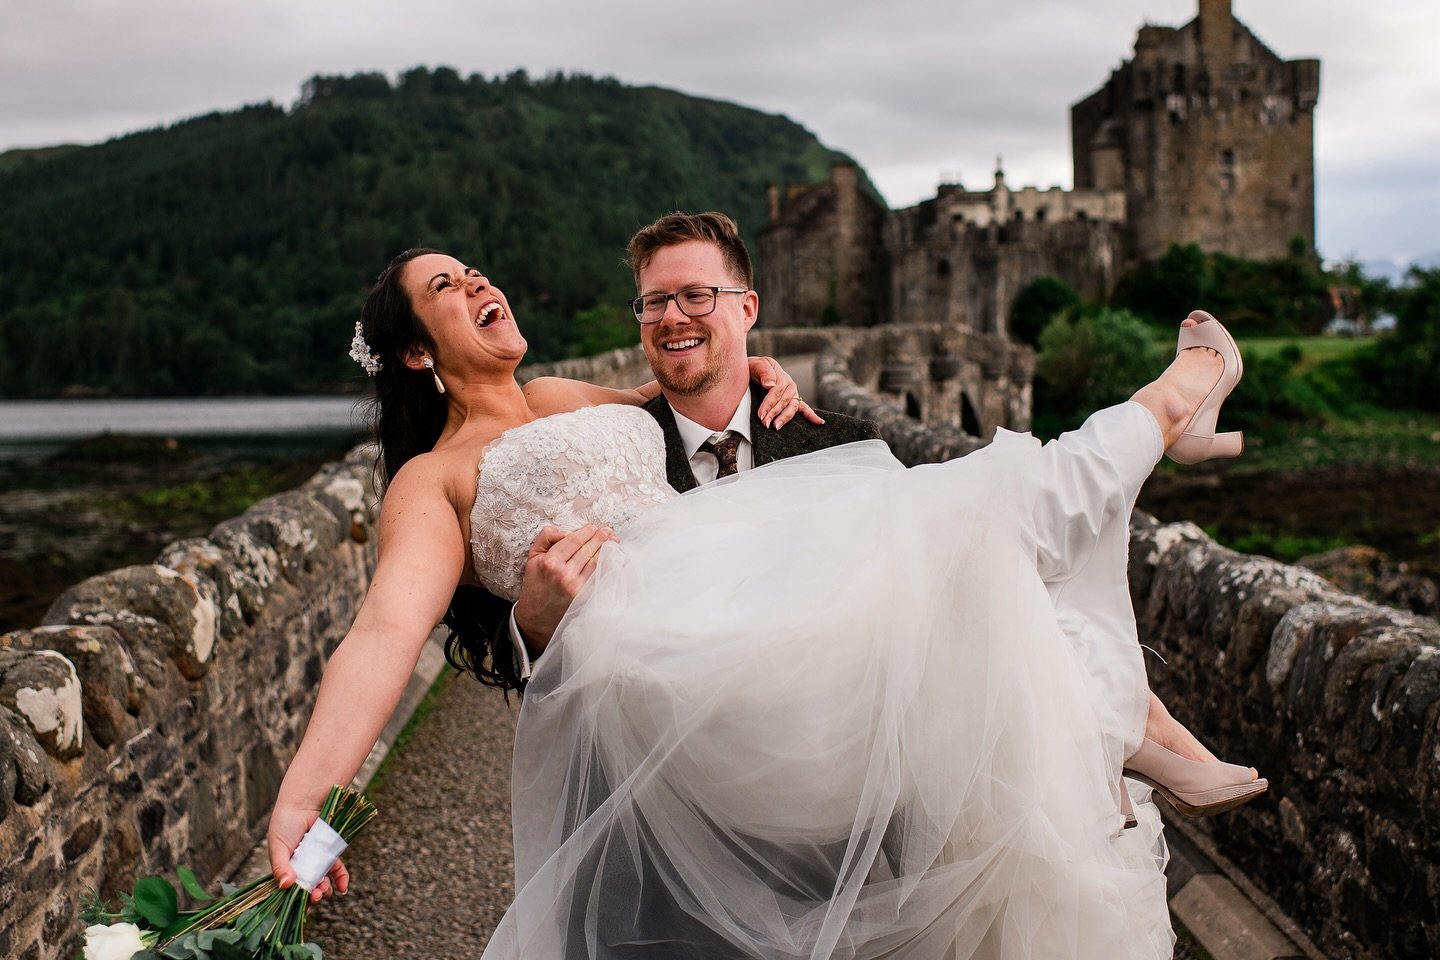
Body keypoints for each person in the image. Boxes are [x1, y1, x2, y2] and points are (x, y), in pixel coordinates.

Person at [269, 212, 1264, 958]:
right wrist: (302, 808)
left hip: (740, 584)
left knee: (969, 538)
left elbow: (684, 390)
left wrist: (764, 367)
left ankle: (1133, 711)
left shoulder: (559, 394)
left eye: (474, 266)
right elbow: (381, 638)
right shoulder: (431, 480)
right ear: (415, 351)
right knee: (987, 504)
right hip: (671, 653)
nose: (477, 278)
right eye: (448, 284)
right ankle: (1184, 394)